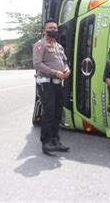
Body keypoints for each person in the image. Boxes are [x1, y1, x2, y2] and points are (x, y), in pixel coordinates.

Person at [33, 19, 71, 154]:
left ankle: (56, 140)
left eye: (55, 27)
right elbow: (38, 64)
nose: (53, 30)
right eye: (50, 28)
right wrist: (55, 72)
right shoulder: (40, 45)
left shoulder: (59, 46)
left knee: (57, 113)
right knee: (49, 113)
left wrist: (67, 70)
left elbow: (65, 61)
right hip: (46, 84)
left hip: (57, 84)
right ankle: (46, 142)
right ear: (44, 30)